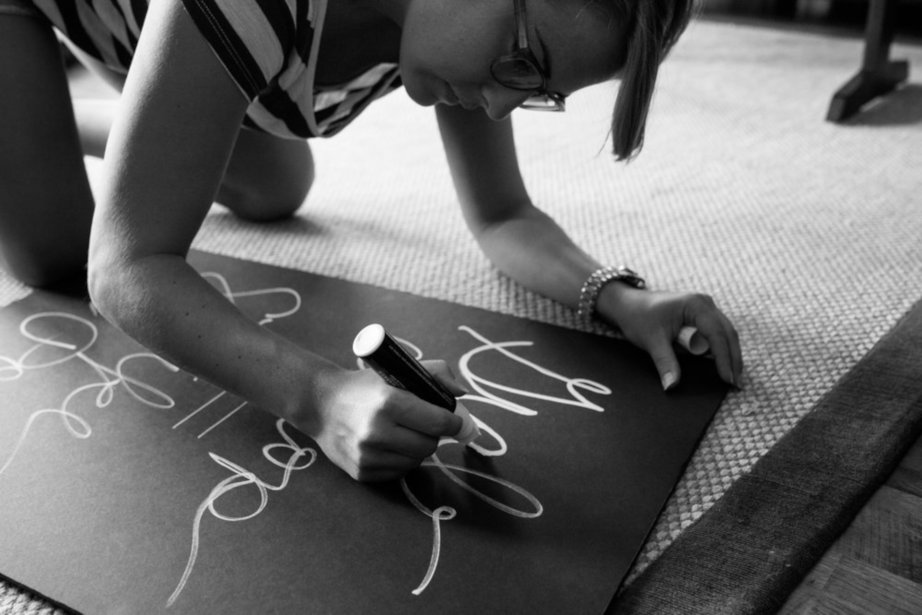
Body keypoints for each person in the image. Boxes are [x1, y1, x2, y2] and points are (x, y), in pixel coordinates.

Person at [0, 0, 742, 481]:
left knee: (277, 189)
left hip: (165, 26)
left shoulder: (459, 35)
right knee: (56, 252)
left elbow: (504, 214)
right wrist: (320, 394)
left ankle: (127, 123)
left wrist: (619, 296)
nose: (502, 100)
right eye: (524, 62)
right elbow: (125, 268)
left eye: (539, 93)